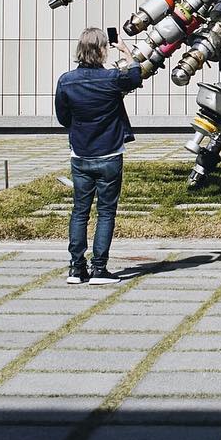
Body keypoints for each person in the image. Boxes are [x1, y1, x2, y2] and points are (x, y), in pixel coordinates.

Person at [55, 27, 141, 284]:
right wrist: (125, 50)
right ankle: (99, 269)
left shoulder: (66, 80)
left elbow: (63, 117)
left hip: (81, 153)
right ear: (103, 51)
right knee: (105, 212)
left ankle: (76, 267)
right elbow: (135, 74)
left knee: (80, 211)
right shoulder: (112, 78)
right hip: (110, 152)